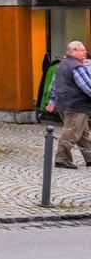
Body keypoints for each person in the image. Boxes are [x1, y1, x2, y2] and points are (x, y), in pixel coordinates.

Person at [44, 40, 91, 170]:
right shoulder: (76, 67)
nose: (85, 52)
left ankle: (89, 158)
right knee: (72, 133)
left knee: (83, 133)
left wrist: (52, 101)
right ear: (73, 51)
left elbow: (54, 85)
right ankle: (62, 159)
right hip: (77, 105)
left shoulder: (62, 65)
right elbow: (88, 87)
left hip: (65, 104)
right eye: (82, 50)